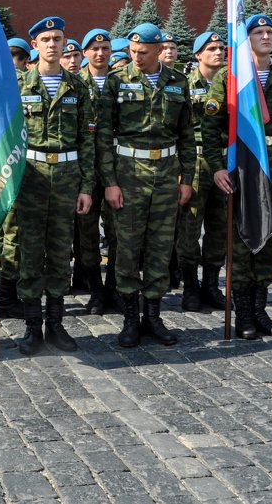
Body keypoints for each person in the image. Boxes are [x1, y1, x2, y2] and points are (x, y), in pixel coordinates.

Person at [204, 14, 272, 341]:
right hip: (240, 165)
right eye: (258, 32)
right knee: (240, 236)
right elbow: (209, 127)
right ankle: (243, 313)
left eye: (269, 31)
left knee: (269, 236)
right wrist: (216, 166)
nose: (266, 36)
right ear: (244, 39)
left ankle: (260, 309)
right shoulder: (229, 78)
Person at [98, 24, 195, 348]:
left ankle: (152, 315)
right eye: (132, 52)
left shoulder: (178, 82)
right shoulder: (117, 81)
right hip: (129, 174)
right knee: (127, 248)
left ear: (158, 50)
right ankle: (129, 318)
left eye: (143, 53)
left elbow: (186, 137)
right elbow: (103, 138)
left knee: (160, 247)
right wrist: (109, 183)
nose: (135, 57)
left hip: (167, 175)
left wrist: (188, 179)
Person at [12, 17, 94, 355]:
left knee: (61, 250)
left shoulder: (78, 87)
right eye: (45, 38)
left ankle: (56, 324)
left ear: (64, 43)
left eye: (57, 38)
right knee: (29, 250)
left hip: (66, 176)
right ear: (35, 45)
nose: (52, 44)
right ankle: (32, 325)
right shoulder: (17, 86)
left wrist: (87, 186)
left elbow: (88, 141)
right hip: (29, 176)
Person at [175, 31, 228, 313]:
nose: (218, 53)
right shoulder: (184, 84)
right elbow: (179, 128)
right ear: (198, 55)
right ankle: (191, 287)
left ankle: (211, 284)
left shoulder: (232, 84)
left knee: (219, 227)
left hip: (222, 161)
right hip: (194, 161)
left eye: (221, 48)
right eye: (211, 49)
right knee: (189, 228)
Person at [76, 28, 118, 316]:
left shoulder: (123, 83)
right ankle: (95, 291)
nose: (100, 53)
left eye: (105, 49)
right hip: (84, 170)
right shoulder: (75, 84)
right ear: (85, 54)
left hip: (119, 168)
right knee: (87, 236)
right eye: (94, 49)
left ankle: (114, 288)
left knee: (117, 234)